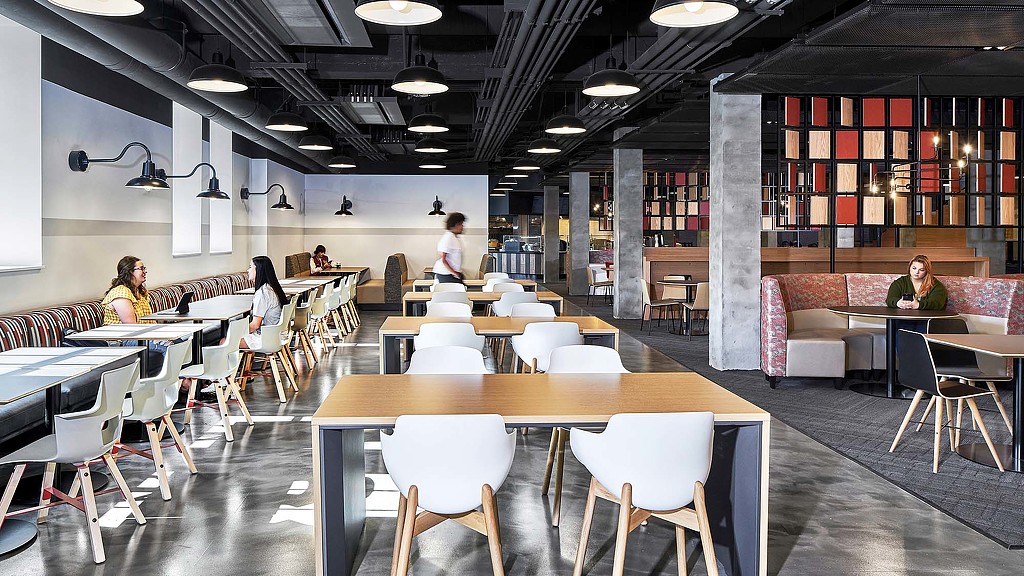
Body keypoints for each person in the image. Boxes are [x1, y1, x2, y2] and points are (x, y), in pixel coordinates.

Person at [100, 255, 163, 375]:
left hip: (143, 335)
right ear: (129, 272)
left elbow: (148, 320)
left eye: (144, 268)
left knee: (179, 340)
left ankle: (185, 381)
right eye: (141, 269)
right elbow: (131, 326)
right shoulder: (120, 292)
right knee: (168, 345)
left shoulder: (139, 291)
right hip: (124, 339)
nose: (145, 272)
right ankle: (179, 382)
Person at [240, 256, 287, 350]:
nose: (248, 270)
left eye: (250, 267)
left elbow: (255, 325)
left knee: (224, 342)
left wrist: (236, 333)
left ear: (258, 270)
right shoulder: (272, 288)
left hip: (267, 338)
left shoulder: (262, 293)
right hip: (278, 335)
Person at [432, 212, 466, 284]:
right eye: (460, 224)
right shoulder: (448, 238)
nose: (462, 227)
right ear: (454, 225)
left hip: (452, 274)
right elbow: (442, 259)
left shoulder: (454, 237)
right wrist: (454, 273)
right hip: (446, 274)